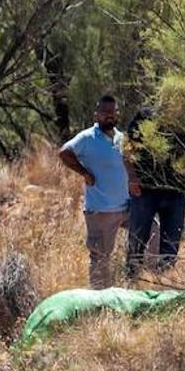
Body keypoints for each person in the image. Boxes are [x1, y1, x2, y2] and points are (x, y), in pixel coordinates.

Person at [59, 95, 130, 289]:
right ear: (96, 114)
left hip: (127, 207)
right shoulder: (87, 137)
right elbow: (64, 152)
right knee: (100, 256)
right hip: (101, 210)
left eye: (113, 112)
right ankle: (99, 300)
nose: (109, 116)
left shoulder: (121, 137)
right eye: (105, 112)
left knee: (152, 234)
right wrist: (84, 172)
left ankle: (141, 285)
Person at [125, 105, 185, 277]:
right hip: (145, 190)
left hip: (175, 191)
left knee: (171, 245)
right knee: (137, 241)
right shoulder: (144, 115)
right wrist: (131, 177)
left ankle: (164, 284)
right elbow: (126, 149)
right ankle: (131, 281)